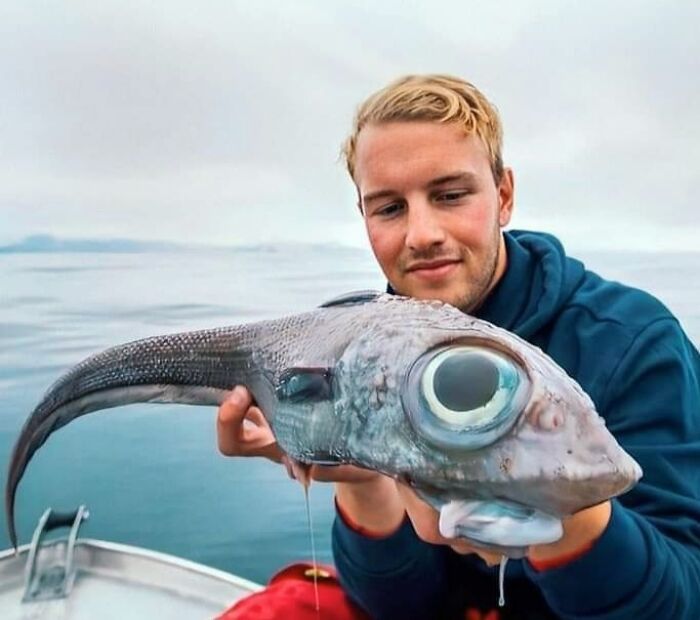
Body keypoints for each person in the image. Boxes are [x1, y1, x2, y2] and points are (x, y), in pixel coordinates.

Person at [216, 75, 700, 619]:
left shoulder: (634, 342)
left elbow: (685, 597)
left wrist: (570, 523)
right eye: (389, 208)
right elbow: (401, 607)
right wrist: (367, 483)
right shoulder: (364, 362)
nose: (421, 234)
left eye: (450, 196)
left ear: (504, 196)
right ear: (364, 218)